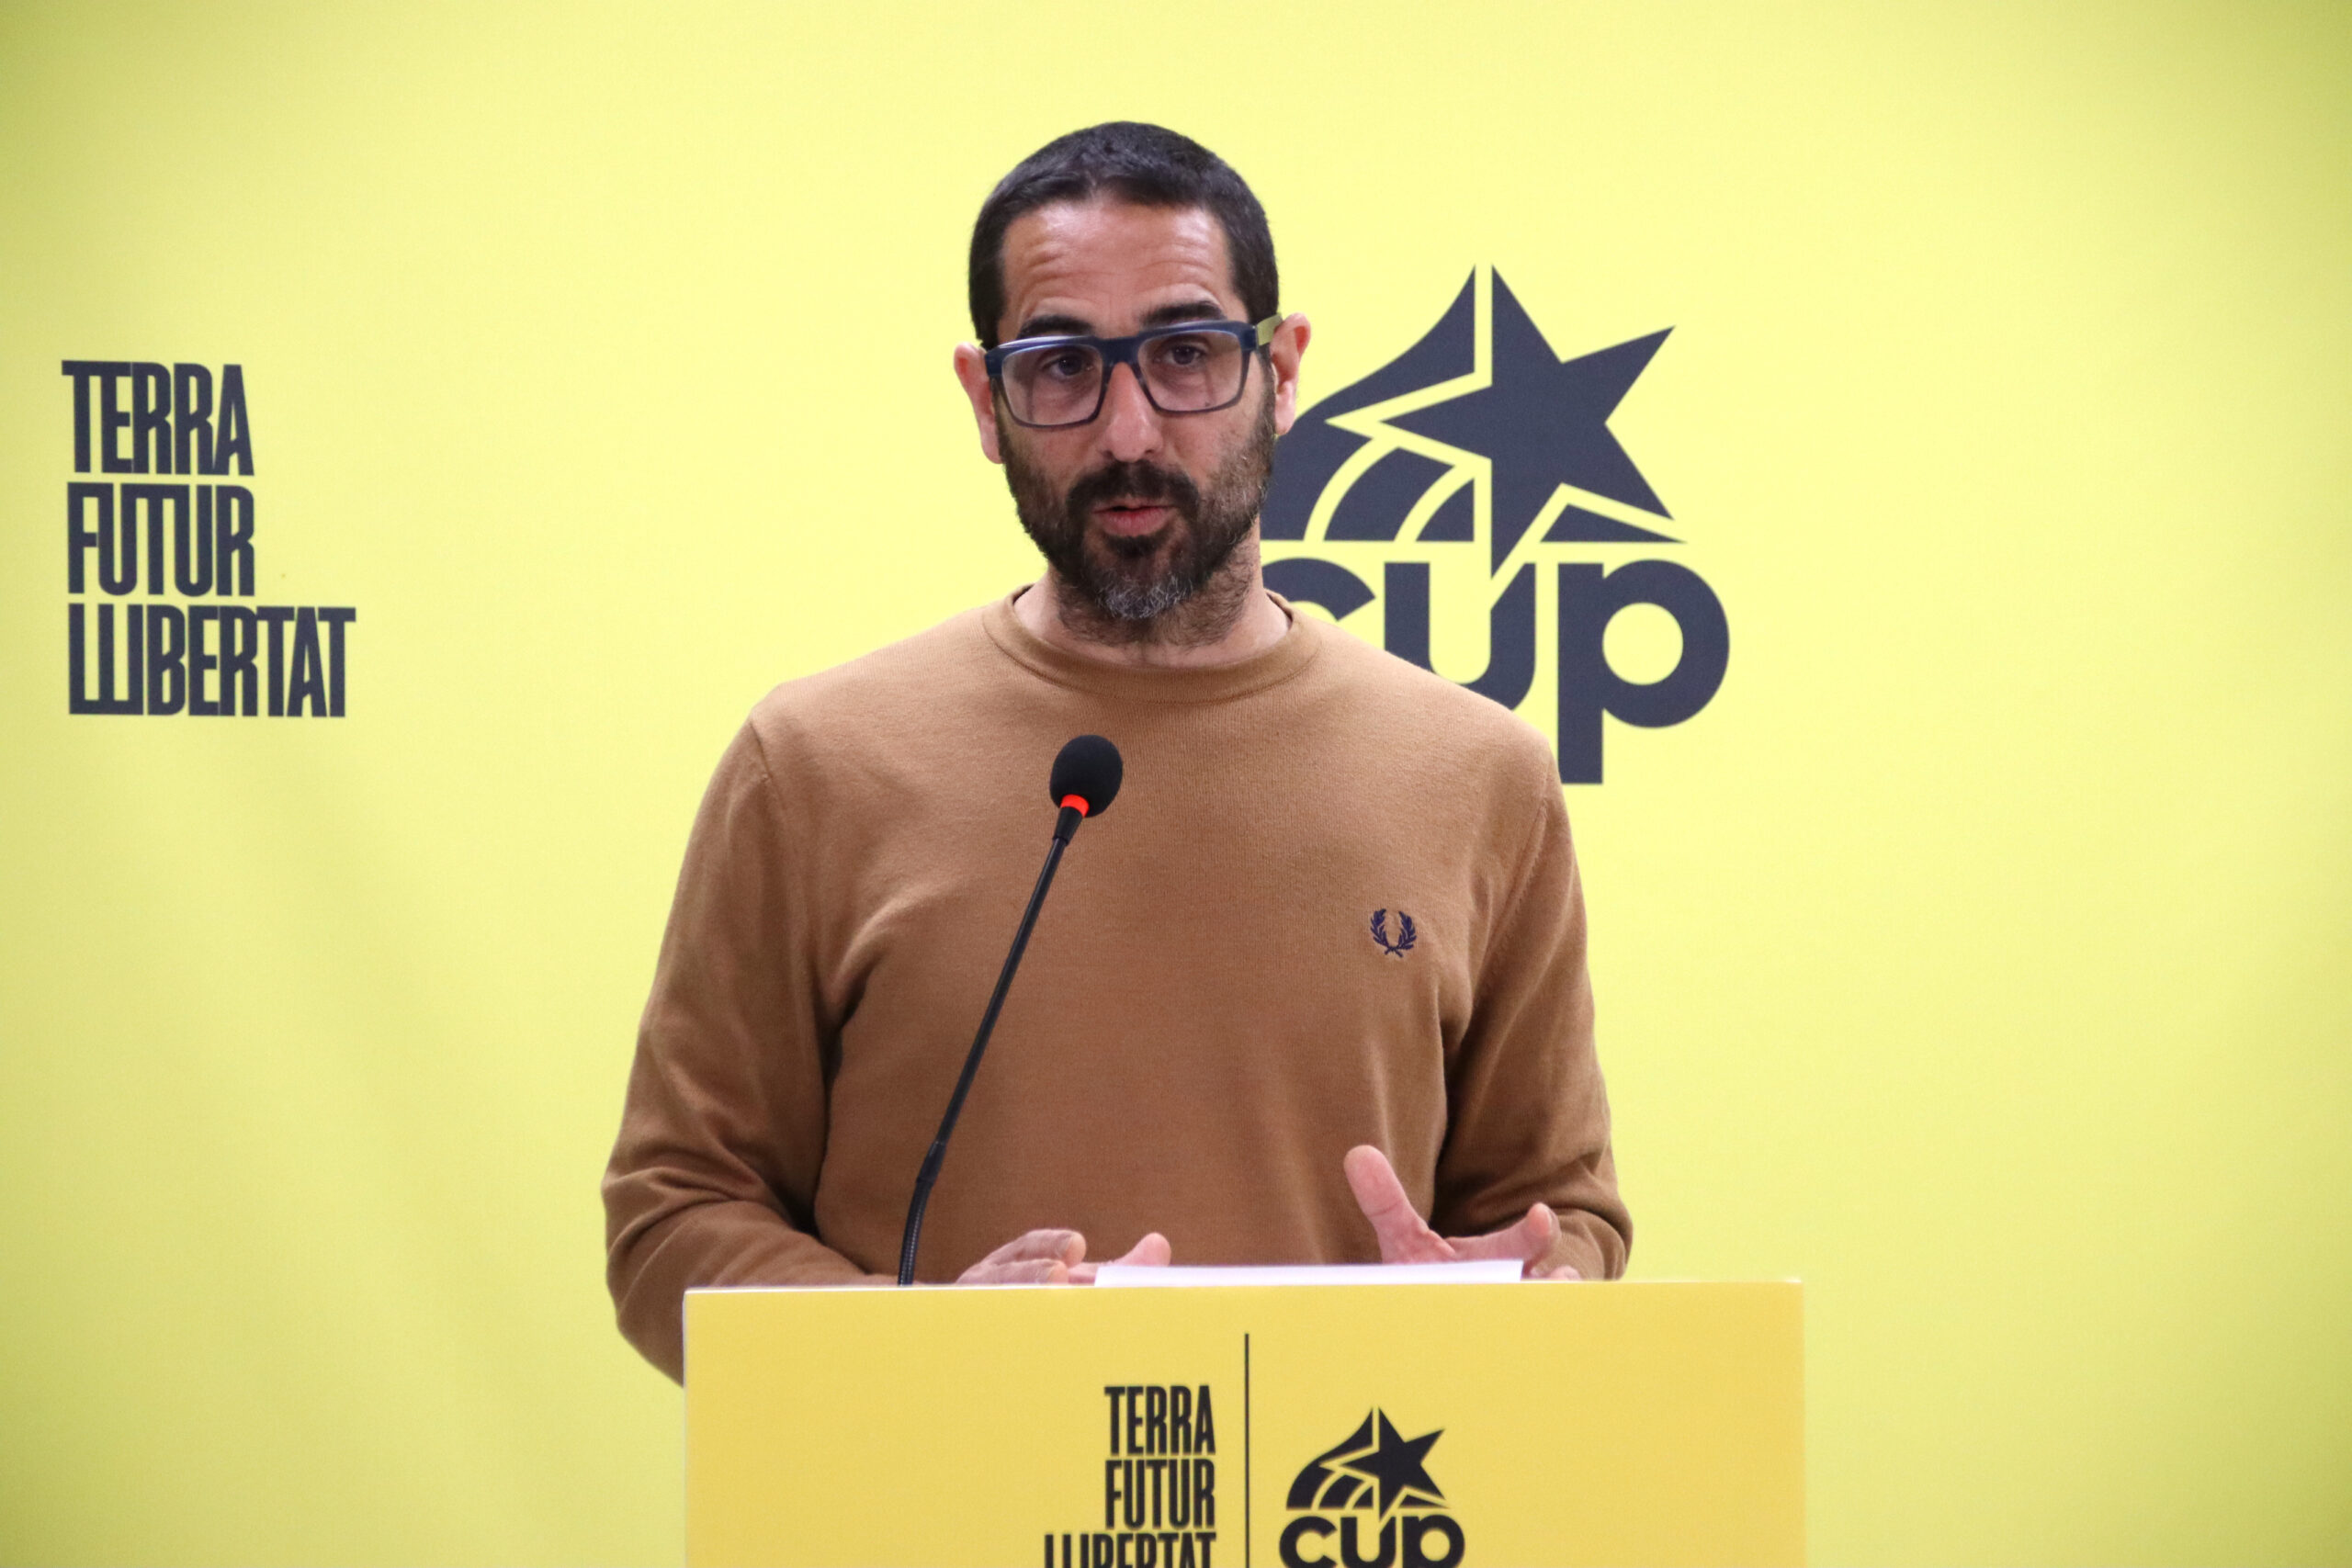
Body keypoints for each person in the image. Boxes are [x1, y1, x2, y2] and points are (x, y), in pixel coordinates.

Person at [603, 122, 1630, 1382]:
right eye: (1062, 367)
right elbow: (672, 1220)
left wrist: (1515, 1293)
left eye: (1186, 354)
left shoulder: (1481, 776)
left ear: (1281, 372)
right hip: (941, 1485)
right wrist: (917, 1352)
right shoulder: (813, 765)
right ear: (987, 401)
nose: (1129, 431)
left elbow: (1563, 1216)